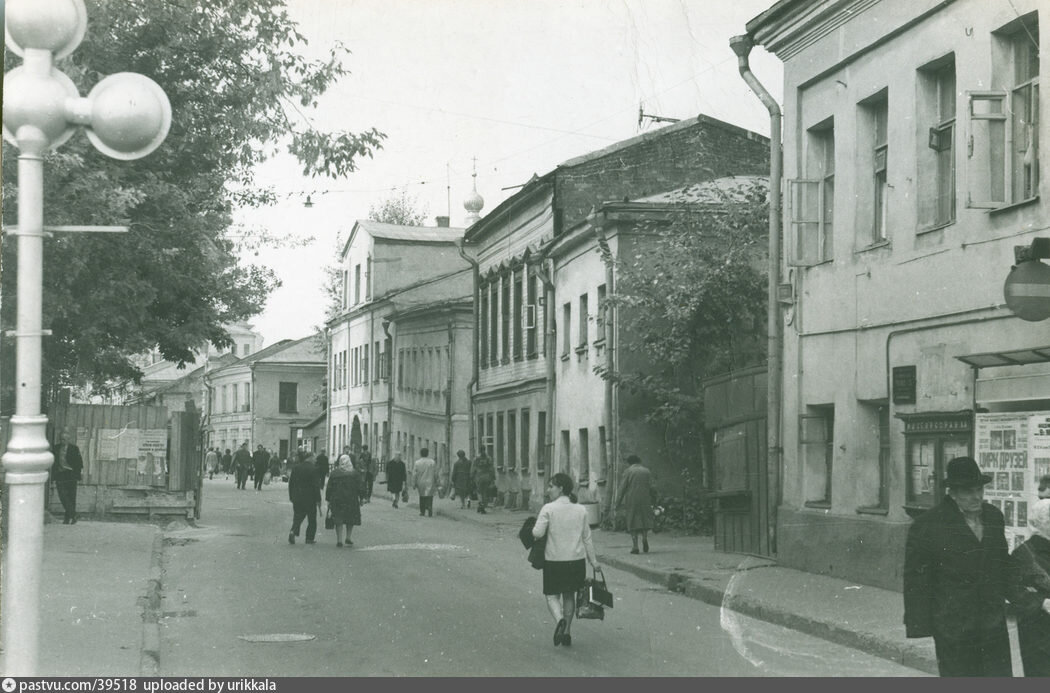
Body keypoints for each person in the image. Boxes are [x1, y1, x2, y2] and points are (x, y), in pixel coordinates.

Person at [903, 456, 1015, 676]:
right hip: (954, 626)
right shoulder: (928, 525)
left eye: (979, 490)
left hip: (992, 621)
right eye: (968, 491)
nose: (977, 497)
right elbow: (916, 578)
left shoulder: (993, 516)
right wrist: (922, 625)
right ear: (952, 492)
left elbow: (1002, 562)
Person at [531, 473, 600, 647]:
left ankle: (560, 620)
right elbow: (587, 538)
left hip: (554, 560)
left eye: (551, 486)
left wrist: (533, 528)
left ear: (560, 488)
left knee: (552, 596)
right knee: (569, 595)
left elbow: (537, 533)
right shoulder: (581, 510)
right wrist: (594, 562)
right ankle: (567, 632)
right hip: (576, 561)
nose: (548, 490)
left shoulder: (548, 508)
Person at [1010, 498, 1050, 676]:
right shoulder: (1023, 554)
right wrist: (1041, 602)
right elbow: (1013, 591)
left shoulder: (1021, 553)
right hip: (1038, 629)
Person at [616, 454, 655, 554]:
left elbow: (622, 488)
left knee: (632, 520)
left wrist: (617, 502)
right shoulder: (646, 471)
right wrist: (654, 499)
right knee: (644, 518)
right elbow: (652, 487)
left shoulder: (628, 471)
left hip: (632, 499)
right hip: (645, 499)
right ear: (638, 461)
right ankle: (645, 538)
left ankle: (635, 546)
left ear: (629, 462)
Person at [325, 454, 362, 547]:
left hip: (337, 499)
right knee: (351, 518)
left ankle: (339, 540)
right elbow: (360, 487)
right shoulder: (354, 473)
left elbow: (329, 487)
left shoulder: (334, 473)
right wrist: (362, 497)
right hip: (351, 499)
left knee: (339, 519)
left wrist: (328, 499)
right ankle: (348, 537)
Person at [287, 452, 321, 545]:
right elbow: (316, 486)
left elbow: (291, 483)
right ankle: (309, 538)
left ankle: (293, 531)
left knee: (298, 516)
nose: (315, 460)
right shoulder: (314, 469)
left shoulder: (296, 468)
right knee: (312, 518)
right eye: (314, 458)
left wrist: (291, 496)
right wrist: (318, 499)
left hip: (297, 497)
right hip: (310, 498)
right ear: (309, 458)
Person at [51, 429, 84, 525]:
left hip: (71, 474)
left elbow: (79, 462)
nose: (63, 441)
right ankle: (74, 514)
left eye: (65, 439)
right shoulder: (56, 448)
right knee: (62, 496)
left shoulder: (74, 449)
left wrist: (78, 474)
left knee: (71, 497)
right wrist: (53, 475)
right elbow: (53, 462)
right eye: (61, 439)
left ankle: (68, 518)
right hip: (60, 474)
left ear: (68, 440)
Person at [413, 447, 438, 517]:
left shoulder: (417, 462)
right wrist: (437, 481)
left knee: (422, 496)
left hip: (421, 482)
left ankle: (422, 511)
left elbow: (414, 474)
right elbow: (435, 473)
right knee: (430, 496)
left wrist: (414, 483)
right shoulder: (432, 462)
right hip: (430, 481)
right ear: (427, 453)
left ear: (420, 454)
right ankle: (429, 507)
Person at [471, 449, 495, 514]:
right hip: (487, 477)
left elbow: (473, 468)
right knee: (485, 491)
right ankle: (483, 506)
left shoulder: (476, 458)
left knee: (479, 491)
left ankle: (480, 503)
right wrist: (493, 477)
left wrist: (472, 476)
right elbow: (491, 468)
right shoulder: (488, 458)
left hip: (479, 477)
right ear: (485, 450)